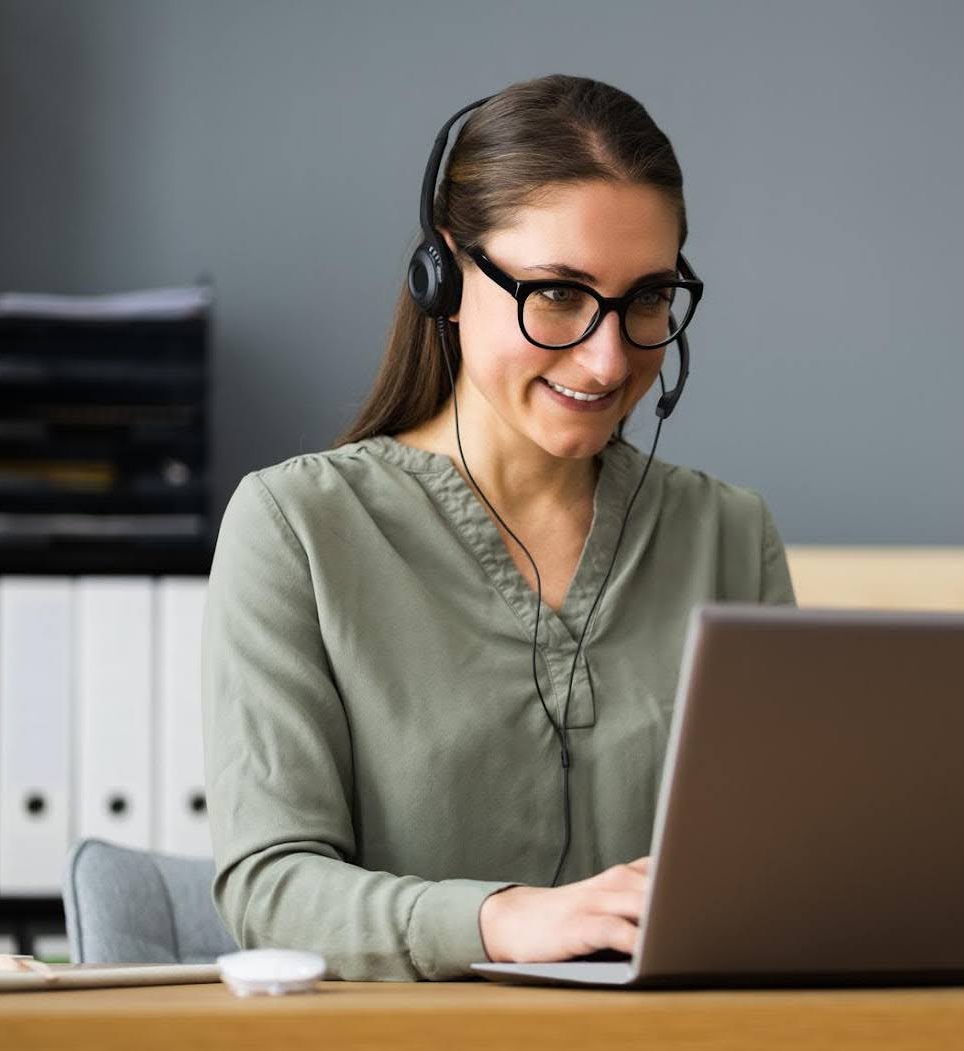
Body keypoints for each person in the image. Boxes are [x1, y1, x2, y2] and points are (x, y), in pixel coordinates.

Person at [201, 73, 796, 983]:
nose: (608, 358)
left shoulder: (729, 532)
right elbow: (270, 886)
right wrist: (501, 919)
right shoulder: (298, 528)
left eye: (647, 299)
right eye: (557, 293)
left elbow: (781, 869)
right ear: (444, 274)